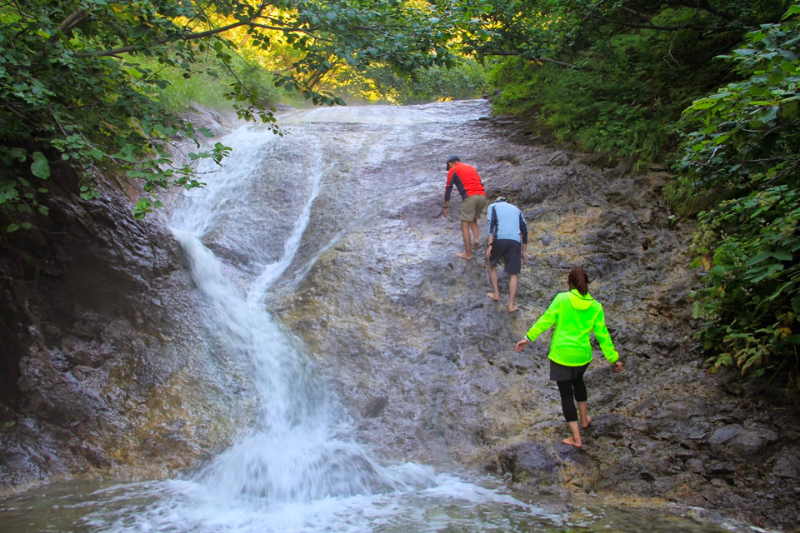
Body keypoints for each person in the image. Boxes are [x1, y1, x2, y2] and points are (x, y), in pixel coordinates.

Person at [515, 268, 623, 448]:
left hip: (561, 355)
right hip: (582, 356)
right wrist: (614, 358)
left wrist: (528, 337)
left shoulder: (562, 299)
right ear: (586, 284)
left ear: (570, 284)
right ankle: (584, 419)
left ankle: (576, 437)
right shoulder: (596, 306)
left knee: (566, 395)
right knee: (579, 382)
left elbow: (546, 320)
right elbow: (603, 335)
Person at [485, 197, 528, 313]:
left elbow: (491, 225)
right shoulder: (516, 209)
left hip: (500, 239)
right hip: (515, 242)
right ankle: (511, 305)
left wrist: (490, 244)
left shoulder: (493, 207)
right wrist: (523, 251)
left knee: (492, 265)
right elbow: (524, 230)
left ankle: (496, 294)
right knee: (513, 273)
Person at [442, 156, 487, 260]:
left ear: (450, 164)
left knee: (464, 224)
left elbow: (448, 188)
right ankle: (476, 239)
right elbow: (480, 182)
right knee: (473, 219)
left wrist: (446, 206)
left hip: (470, 197)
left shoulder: (453, 170)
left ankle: (468, 254)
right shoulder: (471, 167)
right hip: (482, 196)